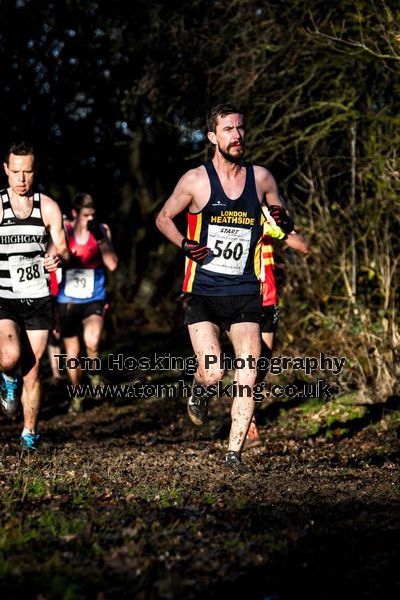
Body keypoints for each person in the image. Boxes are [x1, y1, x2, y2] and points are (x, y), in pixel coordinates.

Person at [156, 103, 294, 472]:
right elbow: (163, 217)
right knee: (215, 372)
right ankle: (201, 388)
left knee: (248, 371)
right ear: (212, 137)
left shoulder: (261, 178)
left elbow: (282, 220)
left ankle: (233, 454)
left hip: (246, 291)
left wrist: (281, 220)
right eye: (228, 129)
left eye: (240, 128)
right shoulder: (195, 180)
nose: (237, 135)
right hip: (203, 293)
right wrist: (185, 244)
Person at [0, 140, 69, 450]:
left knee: (33, 369)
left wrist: (57, 257)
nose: (21, 179)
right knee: (9, 357)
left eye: (27, 172)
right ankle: (7, 379)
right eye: (16, 172)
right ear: (6, 169)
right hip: (4, 295)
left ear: (35, 170)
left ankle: (29, 435)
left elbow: (63, 247)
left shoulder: (48, 207)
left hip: (38, 296)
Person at [244, 226, 310, 449]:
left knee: (262, 363)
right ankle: (247, 422)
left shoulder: (270, 217)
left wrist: (281, 225)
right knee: (249, 361)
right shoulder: (235, 212)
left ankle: (246, 410)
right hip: (241, 299)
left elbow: (303, 247)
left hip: (268, 300)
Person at [56, 193, 118, 413]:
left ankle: (94, 373)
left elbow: (112, 264)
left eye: (93, 215)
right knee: (72, 352)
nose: (90, 219)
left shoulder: (102, 229)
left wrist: (100, 238)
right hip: (68, 300)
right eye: (85, 215)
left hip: (94, 296)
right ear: (75, 213)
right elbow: (50, 256)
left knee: (92, 341)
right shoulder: (64, 230)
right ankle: (77, 394)